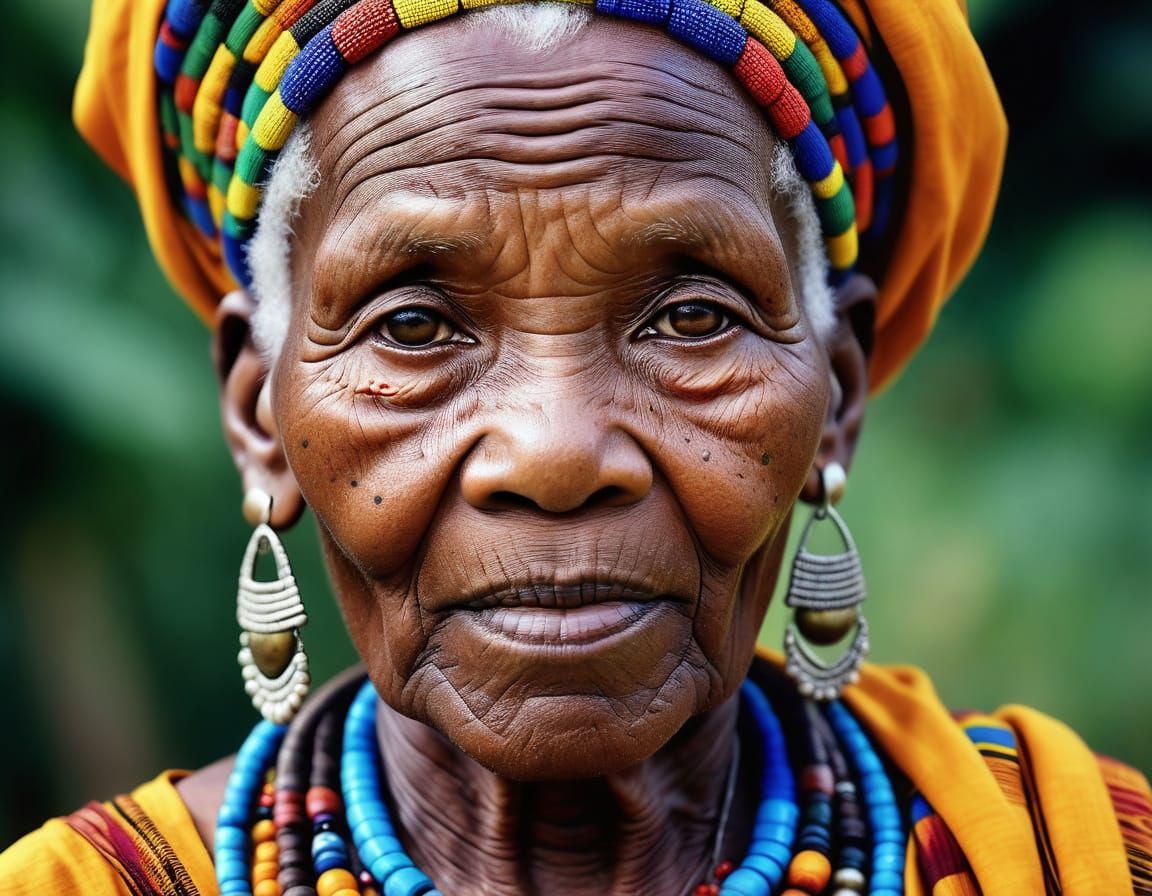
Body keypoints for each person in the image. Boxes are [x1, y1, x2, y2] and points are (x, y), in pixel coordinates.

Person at [2, 0, 1148, 893]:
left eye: (693, 318)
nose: (555, 451)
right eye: (413, 325)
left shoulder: (1073, 857)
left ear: (835, 395)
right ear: (261, 408)